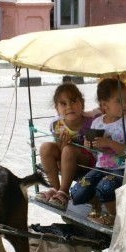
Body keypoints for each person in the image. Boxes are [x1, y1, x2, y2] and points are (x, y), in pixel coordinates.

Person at [70, 78, 126, 227]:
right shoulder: (97, 122)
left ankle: (114, 216)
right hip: (101, 167)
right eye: (119, 101)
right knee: (78, 191)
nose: (125, 104)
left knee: (105, 186)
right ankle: (96, 207)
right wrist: (88, 145)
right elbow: (92, 149)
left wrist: (110, 143)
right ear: (104, 105)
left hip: (121, 170)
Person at [36, 83, 98, 211]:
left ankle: (63, 192)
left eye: (73, 101)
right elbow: (59, 149)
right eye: (63, 104)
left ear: (82, 104)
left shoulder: (92, 121)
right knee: (45, 148)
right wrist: (63, 143)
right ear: (57, 108)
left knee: (69, 150)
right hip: (65, 157)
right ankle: (54, 188)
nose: (69, 107)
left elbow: (93, 149)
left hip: (86, 158)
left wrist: (72, 145)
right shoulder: (57, 124)